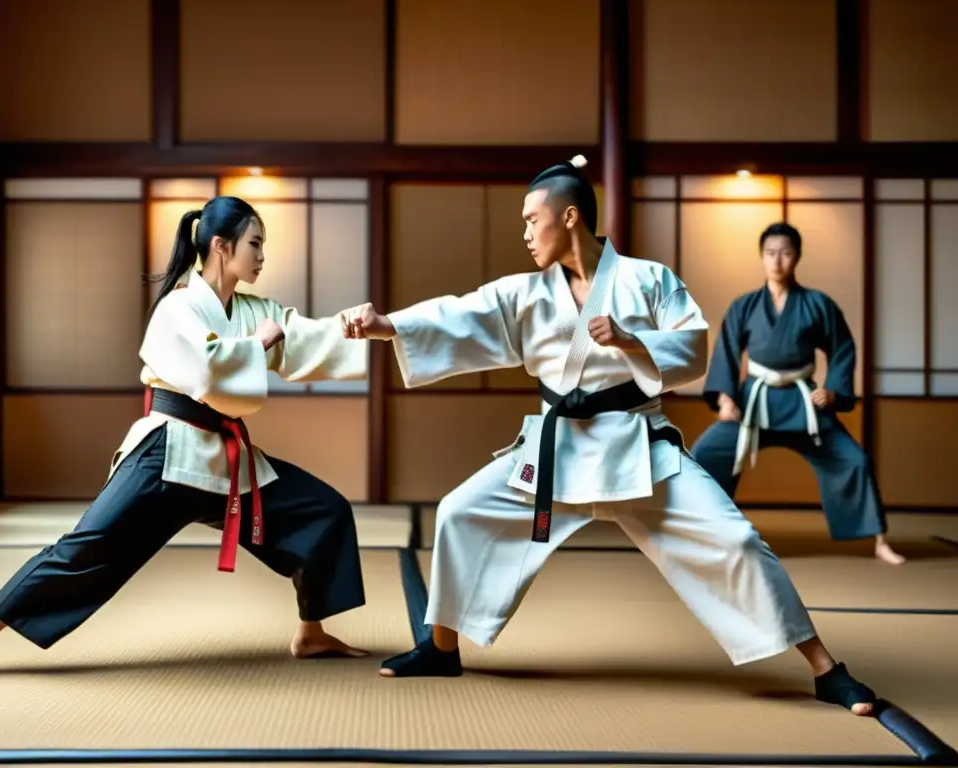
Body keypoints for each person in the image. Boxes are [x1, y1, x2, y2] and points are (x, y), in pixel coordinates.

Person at [338, 157, 878, 716]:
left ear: (569, 217)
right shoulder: (524, 291)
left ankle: (825, 668)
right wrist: (389, 326)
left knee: (736, 542)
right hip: (555, 451)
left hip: (638, 447)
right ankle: (442, 647)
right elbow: (460, 315)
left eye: (531, 220)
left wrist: (631, 341)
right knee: (459, 511)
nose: (524, 234)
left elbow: (693, 344)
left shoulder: (649, 279)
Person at [0, 196, 370, 687]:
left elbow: (309, 337)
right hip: (167, 454)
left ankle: (311, 632)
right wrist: (260, 345)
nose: (262, 255)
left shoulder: (255, 310)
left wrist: (359, 327)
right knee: (82, 550)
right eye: (255, 244)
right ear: (221, 246)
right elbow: (208, 375)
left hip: (227, 462)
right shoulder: (179, 307)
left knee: (323, 510)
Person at [689, 223, 904, 566]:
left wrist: (832, 392)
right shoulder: (745, 306)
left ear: (797, 257)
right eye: (770, 253)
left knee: (854, 461)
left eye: (786, 252)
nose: (777, 260)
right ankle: (702, 534)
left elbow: (842, 348)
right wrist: (726, 399)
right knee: (704, 453)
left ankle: (880, 541)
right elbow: (727, 350)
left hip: (803, 403)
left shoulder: (817, 304)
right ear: (761, 257)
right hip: (754, 402)